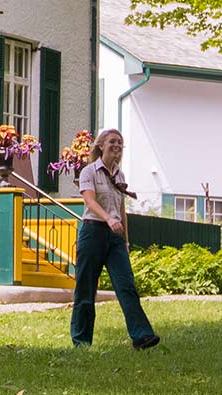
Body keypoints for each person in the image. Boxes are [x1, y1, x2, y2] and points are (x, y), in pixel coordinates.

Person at [68, 129, 159, 349]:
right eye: (112, 141)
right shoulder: (89, 172)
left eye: (120, 142)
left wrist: (125, 240)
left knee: (126, 285)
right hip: (93, 233)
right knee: (86, 288)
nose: (117, 145)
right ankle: (81, 341)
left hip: (115, 237)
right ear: (101, 145)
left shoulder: (120, 175)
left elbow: (121, 209)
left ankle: (141, 336)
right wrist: (108, 219)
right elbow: (89, 201)